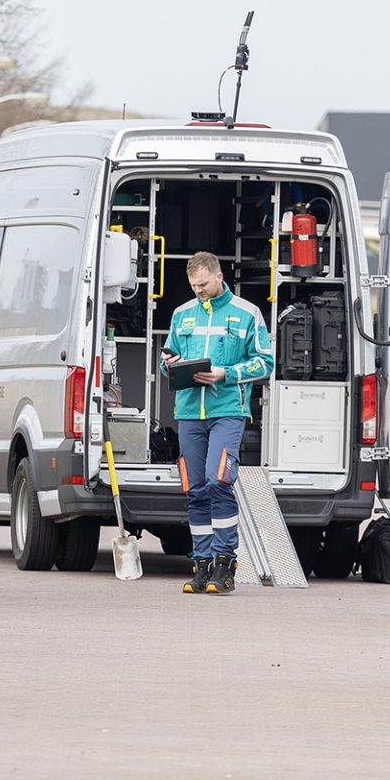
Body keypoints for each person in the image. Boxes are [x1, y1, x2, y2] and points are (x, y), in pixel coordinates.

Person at [161, 251, 273, 595]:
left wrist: (226, 374)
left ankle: (226, 564)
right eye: (195, 286)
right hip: (189, 413)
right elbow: (167, 358)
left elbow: (265, 363)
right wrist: (172, 364)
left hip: (228, 411)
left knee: (218, 482)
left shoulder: (247, 313)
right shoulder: (182, 315)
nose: (200, 291)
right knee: (194, 490)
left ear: (219, 276)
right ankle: (202, 565)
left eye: (205, 284)